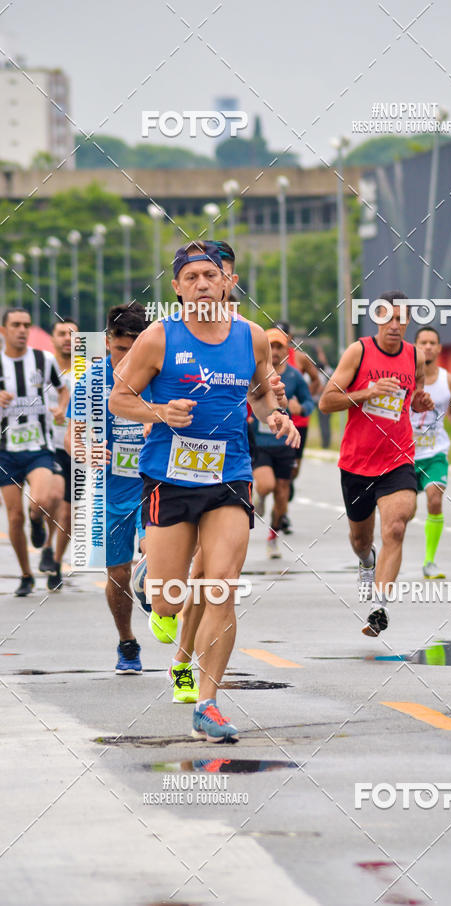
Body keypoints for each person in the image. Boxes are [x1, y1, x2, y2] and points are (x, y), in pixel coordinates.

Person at [110, 241, 298, 742]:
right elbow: (118, 398)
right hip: (170, 479)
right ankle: (153, 574)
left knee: (220, 585)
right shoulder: (157, 338)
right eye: (190, 277)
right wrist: (159, 413)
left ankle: (209, 703)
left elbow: (258, 391)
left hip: (229, 475)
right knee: (170, 602)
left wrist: (275, 417)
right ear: (176, 287)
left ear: (226, 282)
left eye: (208, 276)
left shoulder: (251, 337)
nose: (200, 284)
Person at [319, 291, 433, 637]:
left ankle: (378, 606)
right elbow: (326, 402)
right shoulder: (360, 351)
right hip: (356, 463)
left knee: (396, 528)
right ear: (377, 319)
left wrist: (420, 401)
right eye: (388, 318)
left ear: (408, 322)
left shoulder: (415, 357)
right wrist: (366, 392)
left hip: (397, 459)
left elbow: (414, 398)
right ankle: (366, 563)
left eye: (402, 319)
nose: (395, 325)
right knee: (360, 540)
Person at [65, 303, 150, 673]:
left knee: (157, 560)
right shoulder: (91, 381)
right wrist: (88, 450)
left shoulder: (160, 375)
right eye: (120, 350)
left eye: (135, 350)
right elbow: (73, 438)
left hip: (154, 486)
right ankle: (127, 641)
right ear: (107, 342)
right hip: (113, 491)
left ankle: (161, 605)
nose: (128, 358)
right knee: (118, 575)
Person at [0, 308, 68, 596]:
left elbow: (63, 389)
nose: (22, 330)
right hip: (5, 450)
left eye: (26, 325)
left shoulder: (44, 359)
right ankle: (26, 575)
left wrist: (61, 409)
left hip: (39, 445)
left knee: (41, 500)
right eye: (16, 325)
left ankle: (37, 521)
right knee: (14, 517)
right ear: (3, 330)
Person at [409, 326, 451, 578]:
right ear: (414, 346)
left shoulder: (450, 381)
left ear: (439, 348)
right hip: (405, 454)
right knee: (405, 512)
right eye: (422, 342)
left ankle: (429, 561)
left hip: (435, 452)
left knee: (434, 499)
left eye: (432, 342)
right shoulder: (404, 376)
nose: (427, 346)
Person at [251, 327, 314, 558]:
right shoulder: (254, 372)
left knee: (283, 495)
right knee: (267, 485)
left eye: (279, 346)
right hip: (261, 442)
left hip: (285, 443)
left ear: (286, 350)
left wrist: (302, 408)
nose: (275, 351)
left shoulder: (294, 376)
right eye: (271, 346)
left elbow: (309, 402)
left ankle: (273, 536)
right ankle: (259, 493)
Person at [42, 318, 78, 590]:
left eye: (72, 334)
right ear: (52, 338)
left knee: (68, 511)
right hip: (47, 444)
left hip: (76, 447)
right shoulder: (41, 368)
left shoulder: (90, 372)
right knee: (51, 498)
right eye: (61, 333)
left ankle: (55, 561)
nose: (67, 338)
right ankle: (44, 543)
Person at [276, 321, 321, 533]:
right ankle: (282, 515)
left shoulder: (300, 358)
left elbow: (316, 380)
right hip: (274, 420)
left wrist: (304, 402)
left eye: (284, 337)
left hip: (298, 422)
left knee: (294, 469)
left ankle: (286, 485)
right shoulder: (266, 358)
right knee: (278, 473)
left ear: (290, 339)